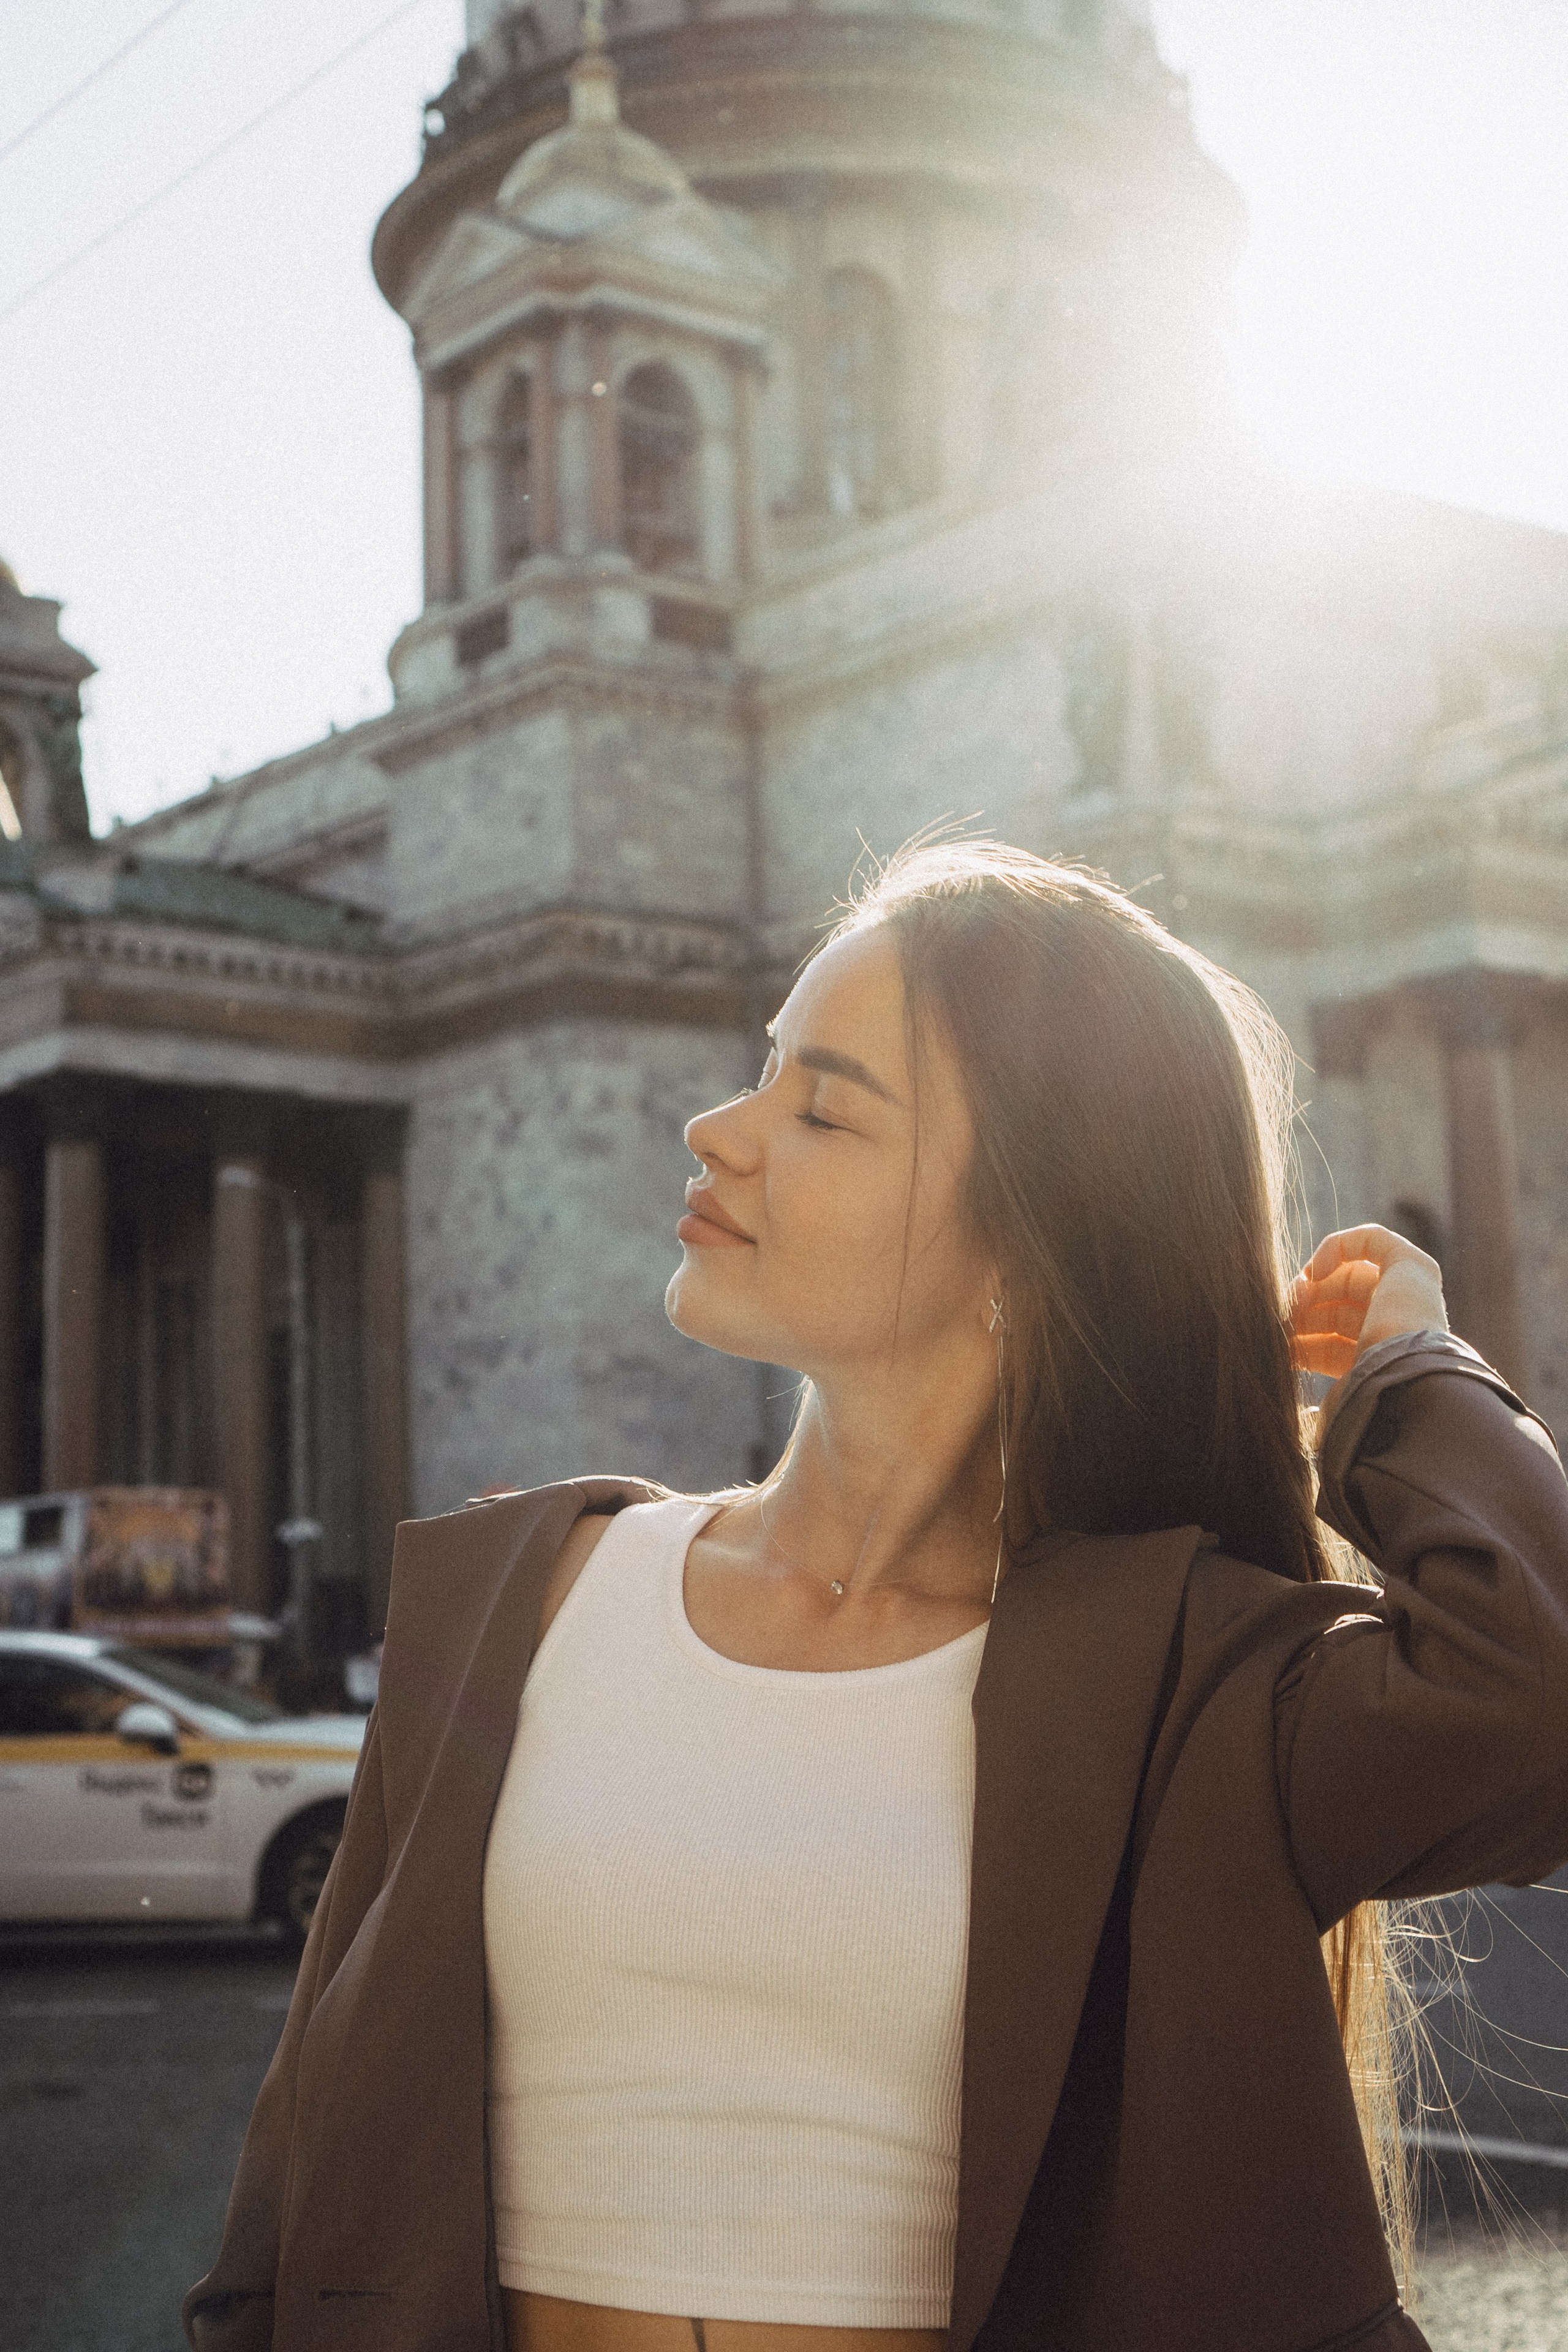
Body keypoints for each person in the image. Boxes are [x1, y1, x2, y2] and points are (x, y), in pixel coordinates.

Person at [184, 841, 1568, 2352]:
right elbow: (293, 2197)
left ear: (1033, 1232)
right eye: (759, 1071)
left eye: (822, 1105)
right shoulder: (513, 1599)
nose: (716, 1129)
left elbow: (1532, 1709)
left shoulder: (1185, 1676)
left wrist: (1409, 1373)